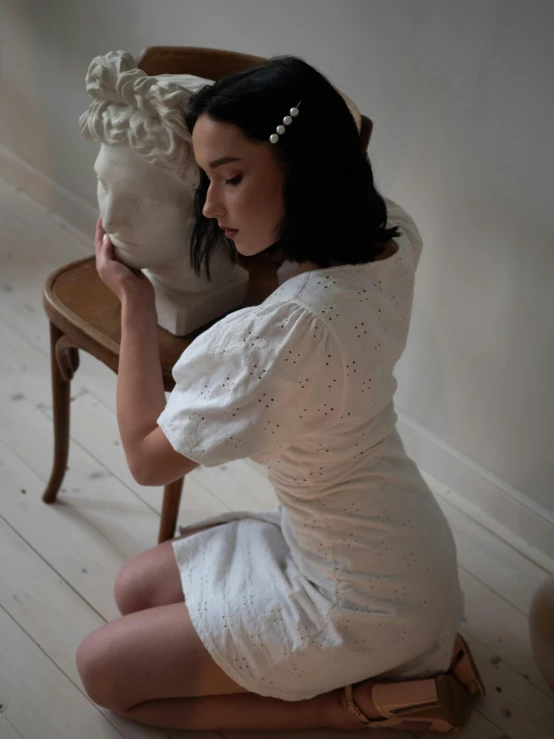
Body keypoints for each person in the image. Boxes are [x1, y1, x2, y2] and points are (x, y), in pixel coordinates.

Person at [76, 54, 484, 732]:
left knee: (102, 671)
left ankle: (364, 705)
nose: (208, 206)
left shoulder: (286, 335)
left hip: (359, 598)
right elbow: (338, 120)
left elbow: (147, 459)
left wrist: (134, 300)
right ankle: (402, 657)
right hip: (389, 540)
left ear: (304, 162)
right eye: (207, 179)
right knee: (132, 587)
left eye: (230, 178)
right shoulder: (389, 233)